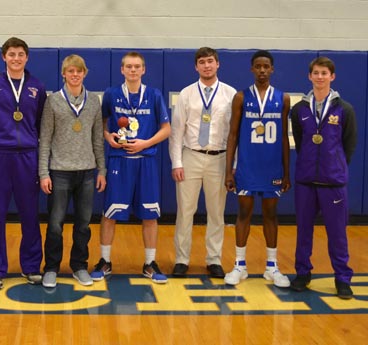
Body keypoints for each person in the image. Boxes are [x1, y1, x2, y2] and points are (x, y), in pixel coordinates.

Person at [90, 51, 171, 284]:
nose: (133, 70)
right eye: (129, 67)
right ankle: (105, 261)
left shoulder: (154, 95)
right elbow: (102, 125)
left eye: (137, 67)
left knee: (150, 215)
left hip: (146, 161)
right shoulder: (112, 94)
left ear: (143, 70)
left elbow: (166, 129)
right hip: (119, 161)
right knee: (109, 213)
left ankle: (149, 263)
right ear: (122, 70)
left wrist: (146, 143)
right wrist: (108, 137)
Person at [0, 37, 47, 290]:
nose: (16, 58)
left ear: (27, 58)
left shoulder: (36, 86)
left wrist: (30, 142)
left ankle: (31, 266)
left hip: (27, 156)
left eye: (21, 54)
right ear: (3, 57)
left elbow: (40, 123)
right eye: (12, 54)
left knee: (30, 215)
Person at [289, 56, 357, 299]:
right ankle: (303, 273)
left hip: (333, 182)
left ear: (332, 77)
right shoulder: (299, 110)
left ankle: (342, 278)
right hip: (306, 181)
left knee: (337, 233)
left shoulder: (344, 109)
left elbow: (348, 145)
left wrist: (334, 165)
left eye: (324, 73)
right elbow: (300, 141)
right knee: (303, 230)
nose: (320, 77)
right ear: (309, 76)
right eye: (316, 73)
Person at [223, 50, 291, 287]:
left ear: (272, 69)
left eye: (266, 66)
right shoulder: (241, 97)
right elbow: (232, 135)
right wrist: (228, 170)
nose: (262, 70)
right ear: (252, 69)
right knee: (244, 214)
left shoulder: (283, 98)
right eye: (258, 66)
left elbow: (283, 137)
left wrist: (286, 172)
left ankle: (271, 266)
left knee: (271, 215)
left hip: (272, 167)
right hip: (247, 167)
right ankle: (239, 266)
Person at [39, 54, 106, 288]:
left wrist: (102, 170)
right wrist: (43, 173)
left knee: (83, 224)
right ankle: (51, 268)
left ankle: (79, 266)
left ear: (84, 73)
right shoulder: (53, 101)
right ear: (64, 74)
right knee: (55, 223)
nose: (75, 75)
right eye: (70, 71)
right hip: (59, 172)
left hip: (87, 172)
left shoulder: (94, 101)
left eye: (79, 71)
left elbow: (98, 138)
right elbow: (45, 139)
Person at [169, 47, 237, 278]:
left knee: (217, 213)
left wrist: (233, 164)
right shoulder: (187, 93)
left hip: (219, 158)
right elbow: (177, 131)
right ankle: (181, 259)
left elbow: (234, 133)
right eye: (202, 62)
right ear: (196, 67)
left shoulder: (230, 94)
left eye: (210, 61)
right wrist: (176, 162)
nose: (207, 66)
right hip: (191, 156)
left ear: (218, 64)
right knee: (185, 211)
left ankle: (214, 259)